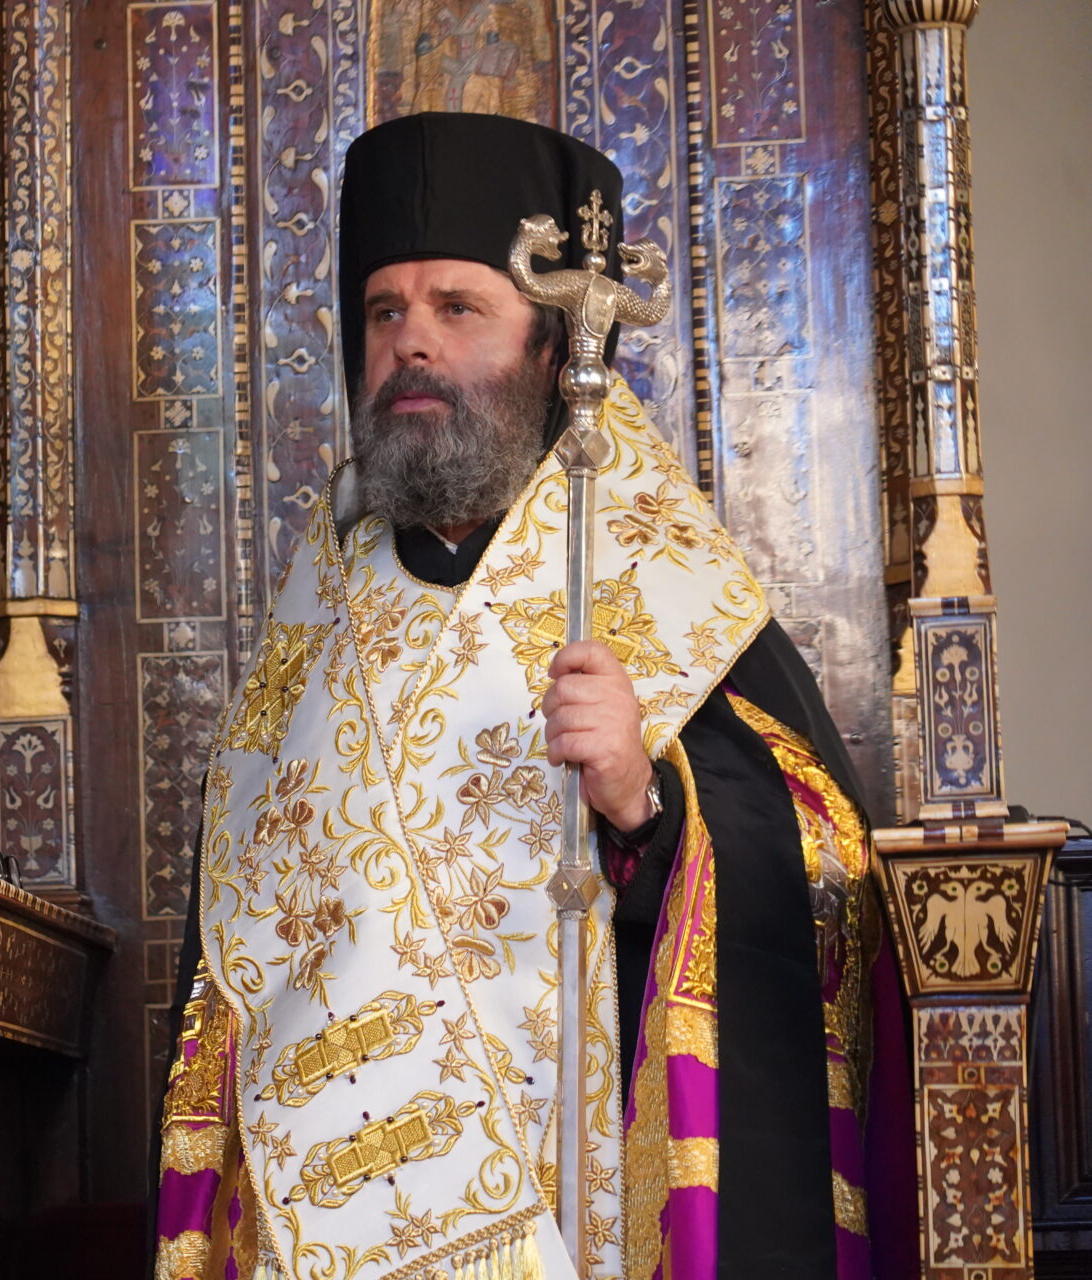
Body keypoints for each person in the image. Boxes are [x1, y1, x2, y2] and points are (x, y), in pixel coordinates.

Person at [152, 114, 909, 1280]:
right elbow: (232, 966)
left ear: (556, 351)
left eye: (458, 308)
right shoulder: (313, 614)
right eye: (384, 311)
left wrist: (649, 804)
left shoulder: (654, 578)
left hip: (576, 1205)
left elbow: (829, 875)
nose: (411, 341)